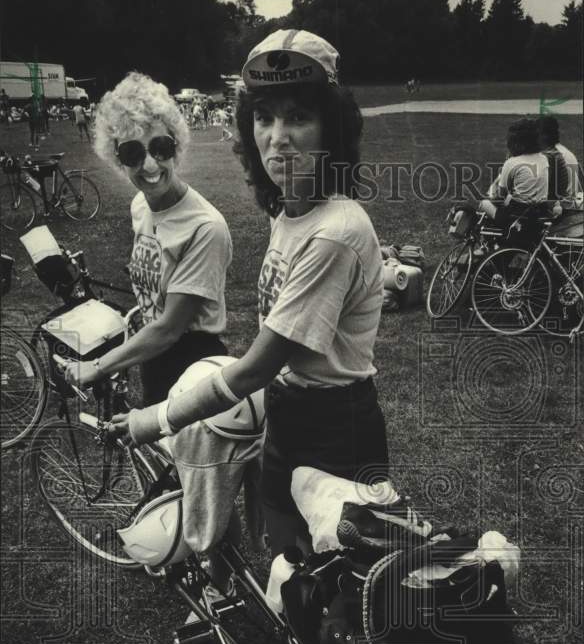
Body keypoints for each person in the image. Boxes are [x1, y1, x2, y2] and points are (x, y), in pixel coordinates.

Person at [110, 31, 389, 559]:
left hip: (334, 428)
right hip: (289, 412)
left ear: (332, 127)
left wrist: (156, 418)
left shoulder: (334, 231)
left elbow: (256, 367)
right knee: (284, 561)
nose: (278, 137)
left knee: (326, 602)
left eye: (298, 117)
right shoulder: (293, 211)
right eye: (264, 117)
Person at [65, 71, 232, 406]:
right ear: (116, 157)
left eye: (160, 147)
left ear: (176, 145)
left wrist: (96, 367)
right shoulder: (140, 205)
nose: (150, 165)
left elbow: (171, 328)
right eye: (132, 154)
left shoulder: (205, 227)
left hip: (192, 363)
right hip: (152, 353)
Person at [479, 118, 549, 226]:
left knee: (484, 204)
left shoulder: (512, 163)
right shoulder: (543, 159)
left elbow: (498, 197)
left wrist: (502, 172)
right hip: (540, 212)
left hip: (517, 216)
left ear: (515, 142)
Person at [537, 115, 583, 210]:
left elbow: (542, 191)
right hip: (569, 204)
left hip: (562, 208)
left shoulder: (551, 155)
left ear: (543, 135)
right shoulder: (564, 151)